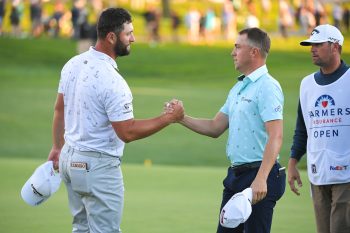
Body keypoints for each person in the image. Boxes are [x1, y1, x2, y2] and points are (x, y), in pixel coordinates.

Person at [47, 8, 184, 233]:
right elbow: (127, 132)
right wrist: (169, 118)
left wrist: (56, 147)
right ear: (111, 37)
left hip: (69, 160)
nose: (133, 38)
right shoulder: (113, 81)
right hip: (98, 167)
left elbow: (59, 110)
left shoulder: (73, 64)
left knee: (81, 229)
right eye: (128, 33)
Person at [171, 27, 285, 233]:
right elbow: (216, 127)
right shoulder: (238, 88)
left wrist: (261, 178)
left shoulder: (268, 86)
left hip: (259, 176)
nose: (232, 52)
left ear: (254, 52)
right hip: (235, 176)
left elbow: (276, 135)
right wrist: (181, 119)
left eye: (237, 47)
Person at [288, 24, 350, 233]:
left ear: (335, 46)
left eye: (318, 44)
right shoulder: (307, 84)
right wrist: (293, 162)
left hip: (346, 173)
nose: (312, 49)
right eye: (310, 45)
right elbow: (302, 128)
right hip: (318, 173)